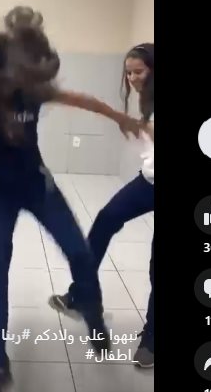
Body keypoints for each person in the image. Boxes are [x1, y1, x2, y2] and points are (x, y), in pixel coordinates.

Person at [0, 6, 144, 388]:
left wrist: (121, 118)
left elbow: (84, 100)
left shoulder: (33, 90)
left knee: (79, 252)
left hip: (39, 187)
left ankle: (94, 318)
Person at [49, 43, 155, 368]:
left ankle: (152, 339)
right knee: (106, 218)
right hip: (149, 181)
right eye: (129, 72)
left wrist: (138, 126)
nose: (132, 78)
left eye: (139, 72)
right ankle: (81, 295)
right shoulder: (147, 99)